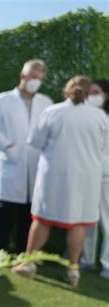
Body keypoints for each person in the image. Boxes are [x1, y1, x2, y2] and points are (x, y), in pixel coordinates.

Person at [12, 76, 109, 286]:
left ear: (67, 90)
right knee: (78, 223)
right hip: (86, 179)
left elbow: (35, 141)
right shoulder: (100, 117)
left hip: (53, 175)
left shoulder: (52, 112)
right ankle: (73, 271)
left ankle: (28, 263)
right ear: (89, 93)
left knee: (42, 220)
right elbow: (104, 149)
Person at [0, 59, 53, 253]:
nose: (35, 81)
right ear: (23, 76)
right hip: (11, 161)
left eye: (39, 78)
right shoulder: (4, 99)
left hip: (36, 163)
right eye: (32, 77)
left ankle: (23, 251)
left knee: (30, 211)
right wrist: (7, 146)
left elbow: (50, 132)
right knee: (4, 209)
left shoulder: (46, 103)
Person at [80, 79, 109, 279]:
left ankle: (107, 263)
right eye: (90, 91)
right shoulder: (85, 116)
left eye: (97, 92)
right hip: (87, 174)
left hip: (107, 176)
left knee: (107, 222)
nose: (93, 95)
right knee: (88, 219)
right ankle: (87, 259)